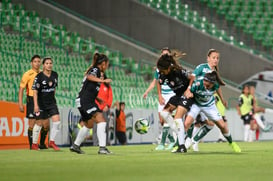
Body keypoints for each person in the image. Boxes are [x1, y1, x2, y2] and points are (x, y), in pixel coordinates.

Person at [185, 71, 241, 152]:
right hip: (196, 104)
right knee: (187, 123)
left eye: (208, 85)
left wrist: (222, 99)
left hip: (209, 105)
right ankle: (186, 141)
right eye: (204, 83)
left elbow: (218, 89)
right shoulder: (197, 84)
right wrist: (189, 93)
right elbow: (188, 92)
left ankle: (232, 143)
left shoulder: (215, 85)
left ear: (213, 83)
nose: (205, 86)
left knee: (222, 125)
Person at [185, 49, 227, 151]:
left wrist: (222, 99)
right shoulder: (201, 67)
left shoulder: (215, 72)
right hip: (195, 99)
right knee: (190, 122)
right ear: (208, 58)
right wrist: (188, 89)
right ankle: (186, 141)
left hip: (206, 101)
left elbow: (217, 87)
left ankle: (194, 141)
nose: (216, 60)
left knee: (210, 124)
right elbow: (192, 77)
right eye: (213, 57)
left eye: (217, 58)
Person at [70, 53, 112, 154]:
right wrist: (102, 80)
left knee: (89, 124)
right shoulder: (96, 70)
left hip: (83, 100)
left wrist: (98, 98)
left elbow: (87, 87)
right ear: (103, 63)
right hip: (86, 101)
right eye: (106, 64)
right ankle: (102, 148)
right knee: (101, 120)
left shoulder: (95, 70)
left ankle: (75, 146)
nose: (106, 67)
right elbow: (89, 77)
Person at [157, 53, 195, 153]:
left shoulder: (178, 71)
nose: (161, 72)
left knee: (177, 117)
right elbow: (158, 81)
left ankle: (181, 146)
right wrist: (160, 94)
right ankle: (181, 134)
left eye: (162, 70)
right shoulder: (163, 74)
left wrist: (189, 89)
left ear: (168, 68)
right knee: (164, 113)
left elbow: (192, 77)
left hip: (187, 94)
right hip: (177, 95)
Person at [143, 47, 176, 151]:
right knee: (162, 121)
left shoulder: (173, 67)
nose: (164, 56)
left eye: (166, 54)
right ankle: (172, 141)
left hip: (171, 94)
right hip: (163, 95)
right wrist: (151, 92)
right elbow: (156, 81)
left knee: (167, 117)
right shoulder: (158, 69)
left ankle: (163, 143)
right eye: (163, 54)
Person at [18, 55, 49, 150]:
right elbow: (21, 89)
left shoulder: (43, 74)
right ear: (31, 63)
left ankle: (42, 144)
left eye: (39, 61)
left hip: (42, 100)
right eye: (35, 61)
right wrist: (20, 103)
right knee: (32, 123)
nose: (37, 63)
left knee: (46, 124)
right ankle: (32, 145)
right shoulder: (27, 74)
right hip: (31, 99)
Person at [31, 57, 61, 151]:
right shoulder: (39, 77)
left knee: (57, 121)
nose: (49, 65)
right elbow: (35, 92)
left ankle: (51, 142)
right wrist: (36, 105)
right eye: (47, 63)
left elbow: (54, 88)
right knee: (39, 123)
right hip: (41, 103)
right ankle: (34, 144)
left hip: (51, 102)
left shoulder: (55, 75)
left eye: (50, 63)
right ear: (43, 65)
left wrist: (52, 98)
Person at [93, 72, 113, 146]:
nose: (101, 77)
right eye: (100, 75)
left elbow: (110, 97)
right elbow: (93, 96)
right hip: (96, 109)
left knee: (106, 127)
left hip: (105, 109)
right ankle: (96, 143)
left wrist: (107, 106)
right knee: (95, 127)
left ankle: (105, 142)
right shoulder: (94, 85)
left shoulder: (107, 86)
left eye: (102, 76)